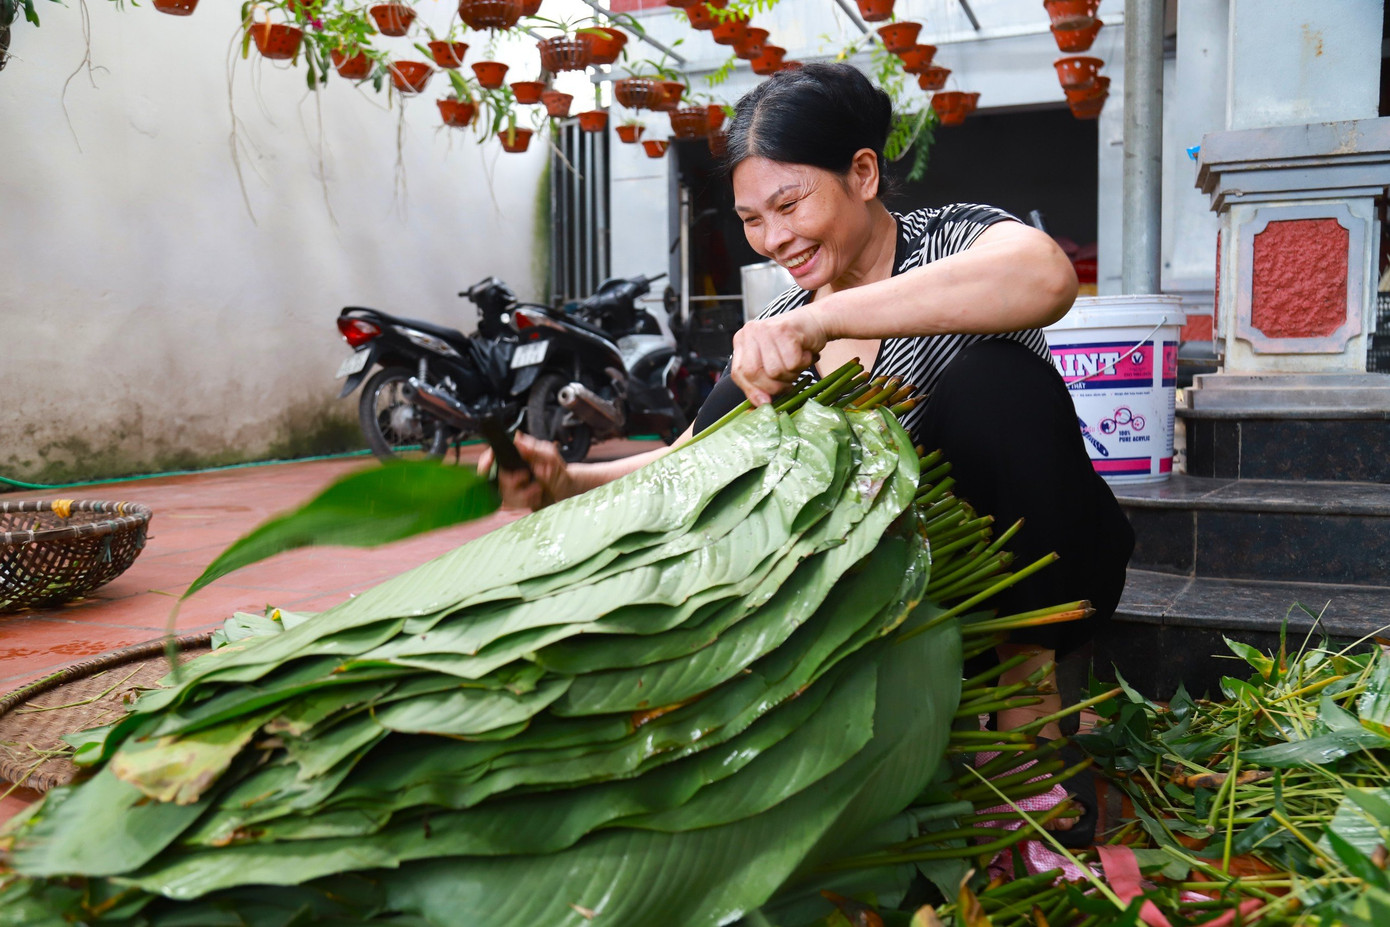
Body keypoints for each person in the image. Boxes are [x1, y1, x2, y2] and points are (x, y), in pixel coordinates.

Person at [482, 63, 1134, 753]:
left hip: (1048, 583)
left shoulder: (950, 243)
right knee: (745, 411)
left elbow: (1045, 277)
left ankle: (1029, 707)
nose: (773, 239)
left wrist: (821, 324)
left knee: (995, 380)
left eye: (790, 205)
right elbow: (693, 460)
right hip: (905, 600)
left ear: (862, 174)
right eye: (751, 219)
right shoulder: (786, 325)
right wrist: (566, 482)